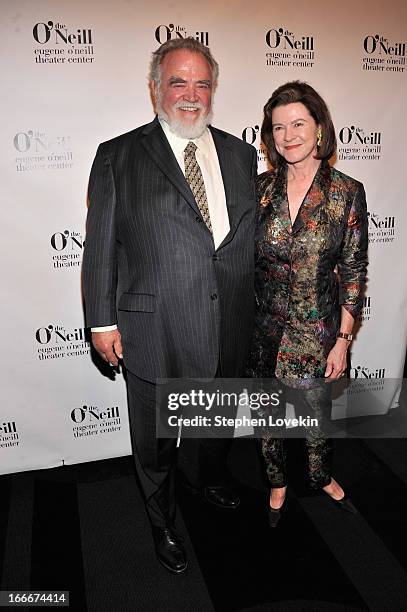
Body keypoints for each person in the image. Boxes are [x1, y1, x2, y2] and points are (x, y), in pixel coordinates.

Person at [82, 37, 257, 572]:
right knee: (156, 442)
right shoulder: (118, 155)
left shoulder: (241, 153)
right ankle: (161, 518)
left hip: (227, 320)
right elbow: (100, 246)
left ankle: (206, 481)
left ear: (214, 90)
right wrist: (101, 320)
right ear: (155, 88)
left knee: (214, 426)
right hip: (152, 326)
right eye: (178, 81)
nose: (191, 94)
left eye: (202, 83)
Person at [247, 81, 368, 527]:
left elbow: (354, 272)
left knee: (317, 417)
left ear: (320, 128)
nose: (288, 135)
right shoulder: (258, 189)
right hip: (262, 328)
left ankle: (321, 477)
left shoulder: (345, 192)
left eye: (298, 123)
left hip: (317, 332)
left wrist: (342, 341)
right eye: (278, 127)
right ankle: (276, 481)